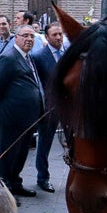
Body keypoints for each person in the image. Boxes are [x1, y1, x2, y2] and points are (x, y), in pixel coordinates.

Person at [0, 25, 44, 199]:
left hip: (28, 119)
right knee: (9, 154)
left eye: (32, 36)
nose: (29, 39)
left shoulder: (28, 58)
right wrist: (4, 110)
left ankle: (15, 183)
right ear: (16, 38)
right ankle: (5, 190)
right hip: (12, 117)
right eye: (25, 36)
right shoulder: (8, 58)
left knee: (21, 153)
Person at [30, 22, 68, 193]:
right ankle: (42, 178)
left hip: (69, 107)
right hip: (49, 109)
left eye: (60, 34)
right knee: (45, 143)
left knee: (73, 143)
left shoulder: (68, 54)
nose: (59, 37)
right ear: (47, 37)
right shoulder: (38, 57)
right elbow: (37, 84)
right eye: (55, 35)